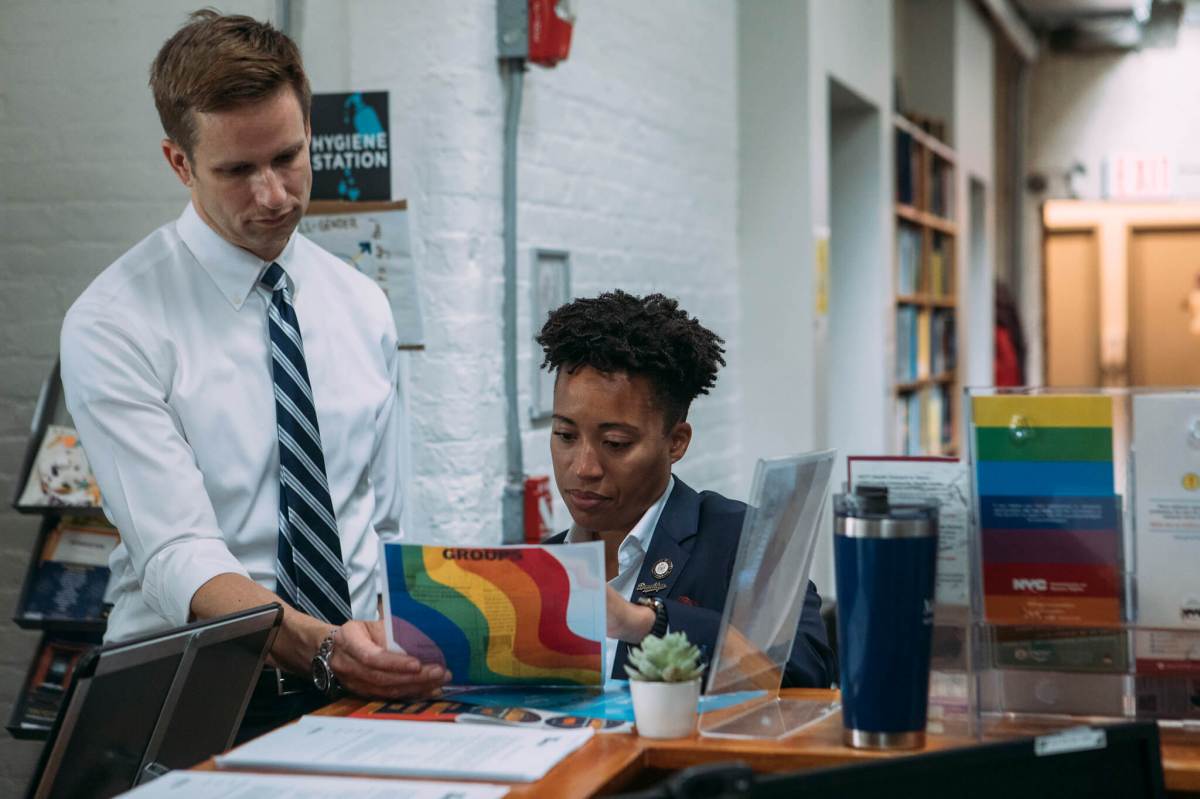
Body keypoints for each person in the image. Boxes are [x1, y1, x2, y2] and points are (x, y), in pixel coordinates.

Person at [58, 10, 446, 735]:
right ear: (180, 162)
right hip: (194, 694)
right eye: (237, 170)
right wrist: (322, 647)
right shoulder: (114, 321)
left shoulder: (361, 304)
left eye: (289, 158)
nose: (273, 195)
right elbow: (177, 551)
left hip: (359, 685)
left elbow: (385, 514)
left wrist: (397, 640)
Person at [536, 291, 837, 687]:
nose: (584, 467)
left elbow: (806, 678)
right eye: (565, 435)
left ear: (676, 442)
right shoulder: (540, 567)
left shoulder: (744, 540)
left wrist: (646, 622)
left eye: (615, 444)